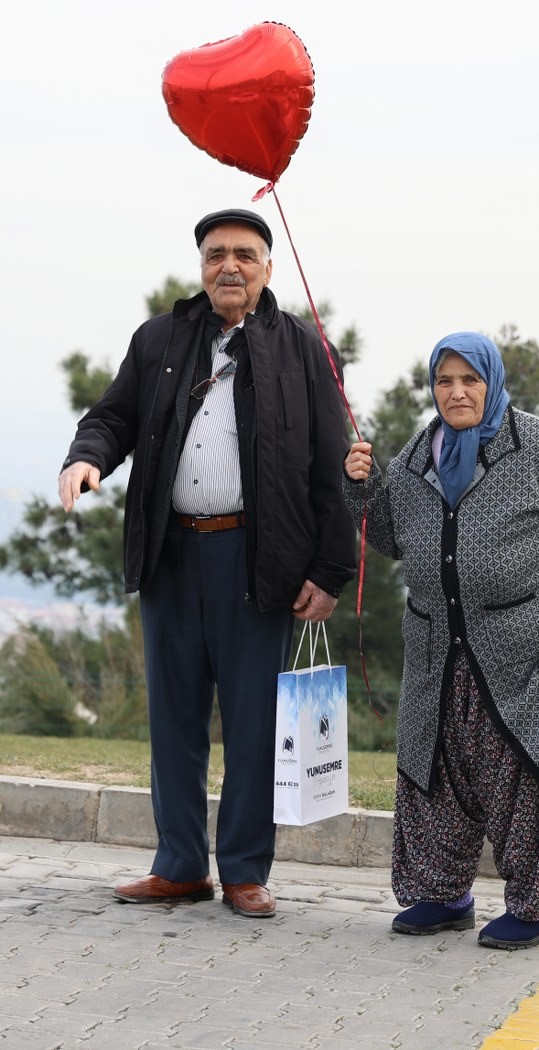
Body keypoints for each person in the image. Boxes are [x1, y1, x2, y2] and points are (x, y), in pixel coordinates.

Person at [59, 208, 356, 917]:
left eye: (245, 255)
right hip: (171, 553)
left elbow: (331, 468)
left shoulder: (302, 349)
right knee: (175, 720)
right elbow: (114, 417)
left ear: (267, 269)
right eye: (217, 254)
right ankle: (180, 865)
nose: (230, 266)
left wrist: (331, 568)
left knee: (255, 724)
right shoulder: (161, 338)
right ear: (200, 265)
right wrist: (86, 458)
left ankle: (246, 871)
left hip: (259, 560)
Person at [343, 332, 539, 949]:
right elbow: (395, 541)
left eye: (470, 379)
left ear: (491, 382)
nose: (457, 392)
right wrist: (363, 490)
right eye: (445, 380)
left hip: (520, 648)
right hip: (436, 648)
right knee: (436, 772)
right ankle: (441, 895)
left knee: (523, 776)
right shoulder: (417, 455)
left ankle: (533, 908)